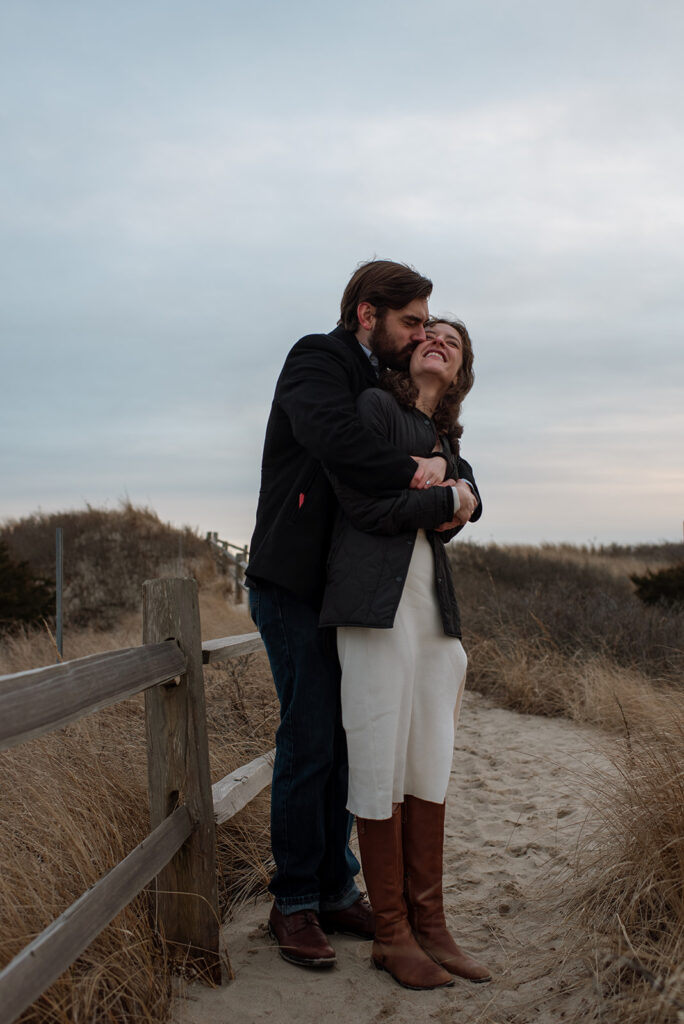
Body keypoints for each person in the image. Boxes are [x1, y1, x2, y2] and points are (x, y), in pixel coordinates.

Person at [246, 261, 476, 968]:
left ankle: (336, 884)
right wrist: (425, 479)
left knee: (349, 744)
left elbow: (447, 450)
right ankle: (295, 903)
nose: (418, 337)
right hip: (292, 578)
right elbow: (336, 442)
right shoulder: (318, 359)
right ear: (368, 314)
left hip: (346, 586)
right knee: (312, 734)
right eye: (410, 322)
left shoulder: (386, 386)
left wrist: (459, 484)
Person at [319, 318, 491, 990]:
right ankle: (391, 932)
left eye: (452, 341)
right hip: (371, 606)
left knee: (429, 758)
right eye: (428, 333)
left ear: (460, 372)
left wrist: (457, 485)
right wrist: (446, 498)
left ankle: (431, 923)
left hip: (433, 616)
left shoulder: (446, 440)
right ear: (407, 352)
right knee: (378, 753)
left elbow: (469, 501)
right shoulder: (375, 409)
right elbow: (362, 504)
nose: (437, 340)